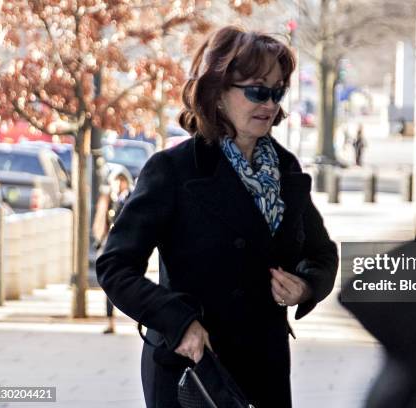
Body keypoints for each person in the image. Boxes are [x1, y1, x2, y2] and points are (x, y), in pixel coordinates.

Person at [96, 26, 338, 408]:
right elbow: (114, 267)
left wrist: (306, 287)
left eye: (277, 92)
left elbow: (323, 254)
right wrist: (178, 322)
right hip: (193, 367)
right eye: (258, 90)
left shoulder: (285, 170)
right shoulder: (173, 170)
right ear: (218, 93)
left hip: (264, 366)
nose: (270, 104)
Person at [92, 169, 132, 334]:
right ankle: (110, 321)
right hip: (109, 246)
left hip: (125, 248)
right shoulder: (109, 200)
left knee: (128, 284)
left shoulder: (131, 199)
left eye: (119, 181)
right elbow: (102, 222)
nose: (117, 185)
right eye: (114, 182)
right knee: (108, 283)